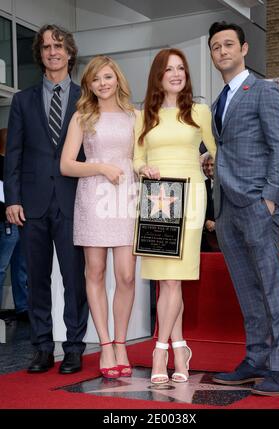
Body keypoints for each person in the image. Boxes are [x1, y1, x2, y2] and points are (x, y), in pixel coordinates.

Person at [208, 21, 279, 396]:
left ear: (244, 49)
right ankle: (256, 359)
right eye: (215, 47)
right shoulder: (218, 102)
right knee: (247, 289)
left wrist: (270, 200)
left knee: (271, 287)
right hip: (227, 210)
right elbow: (230, 150)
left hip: (258, 205)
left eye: (228, 44)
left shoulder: (264, 90)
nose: (222, 51)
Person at [4, 25, 89, 374]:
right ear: (40, 55)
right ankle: (41, 347)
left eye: (58, 46)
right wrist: (12, 199)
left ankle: (73, 348)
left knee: (74, 280)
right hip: (31, 205)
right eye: (46, 47)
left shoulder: (87, 98)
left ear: (70, 53)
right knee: (35, 280)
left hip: (73, 202)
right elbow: (14, 153)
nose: (52, 52)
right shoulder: (22, 100)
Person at [134, 48, 216, 384]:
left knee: (174, 279)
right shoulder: (144, 116)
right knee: (168, 280)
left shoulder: (200, 111)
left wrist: (207, 158)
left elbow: (216, 147)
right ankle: (180, 348)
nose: (177, 74)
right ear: (158, 75)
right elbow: (135, 158)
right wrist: (143, 167)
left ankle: (160, 351)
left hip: (192, 196)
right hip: (157, 199)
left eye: (181, 68)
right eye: (169, 69)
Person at [60, 56, 138, 378]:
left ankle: (122, 341)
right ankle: (106, 345)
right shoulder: (82, 117)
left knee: (127, 276)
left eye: (108, 77)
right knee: (95, 272)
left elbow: (141, 155)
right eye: (96, 79)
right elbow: (66, 165)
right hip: (95, 196)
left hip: (127, 199)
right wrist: (101, 167)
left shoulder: (136, 116)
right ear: (89, 85)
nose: (102, 83)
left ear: (117, 79)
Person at [0, 129, 28, 320]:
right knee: (4, 267)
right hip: (7, 223)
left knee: (20, 266)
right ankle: (22, 306)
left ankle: (23, 306)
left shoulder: (15, 164)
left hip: (17, 222)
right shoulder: (5, 165)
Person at [201, 154, 220, 252]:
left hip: (225, 235)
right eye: (206, 165)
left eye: (212, 165)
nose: (209, 168)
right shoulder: (201, 185)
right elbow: (196, 208)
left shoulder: (227, 185)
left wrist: (218, 224)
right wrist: (205, 221)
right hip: (206, 236)